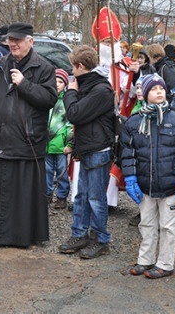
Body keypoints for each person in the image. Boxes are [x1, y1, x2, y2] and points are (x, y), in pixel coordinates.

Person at [0, 22, 57, 248]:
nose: (13, 44)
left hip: (28, 139)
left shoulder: (44, 68)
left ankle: (26, 236)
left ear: (31, 41)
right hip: (0, 137)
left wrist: (24, 84)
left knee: (25, 192)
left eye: (18, 40)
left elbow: (49, 100)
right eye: (10, 40)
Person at [121, 74, 175, 278]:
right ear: (145, 93)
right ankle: (145, 260)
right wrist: (130, 178)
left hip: (171, 186)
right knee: (146, 224)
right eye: (154, 89)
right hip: (145, 184)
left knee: (167, 226)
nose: (159, 92)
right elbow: (128, 153)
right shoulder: (134, 123)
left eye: (162, 89)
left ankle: (165, 263)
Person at [58, 45, 115, 259]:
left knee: (95, 198)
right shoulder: (90, 86)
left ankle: (101, 238)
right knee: (81, 196)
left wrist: (70, 92)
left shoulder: (100, 89)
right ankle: (80, 234)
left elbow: (74, 114)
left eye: (73, 67)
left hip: (98, 149)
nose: (71, 72)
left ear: (81, 66)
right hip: (87, 147)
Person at [45, 68, 73, 210]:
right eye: (54, 81)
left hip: (60, 144)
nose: (56, 84)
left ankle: (62, 196)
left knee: (62, 171)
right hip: (46, 143)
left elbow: (70, 124)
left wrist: (69, 142)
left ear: (65, 84)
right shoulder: (45, 98)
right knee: (47, 170)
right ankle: (47, 193)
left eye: (60, 81)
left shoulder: (67, 101)